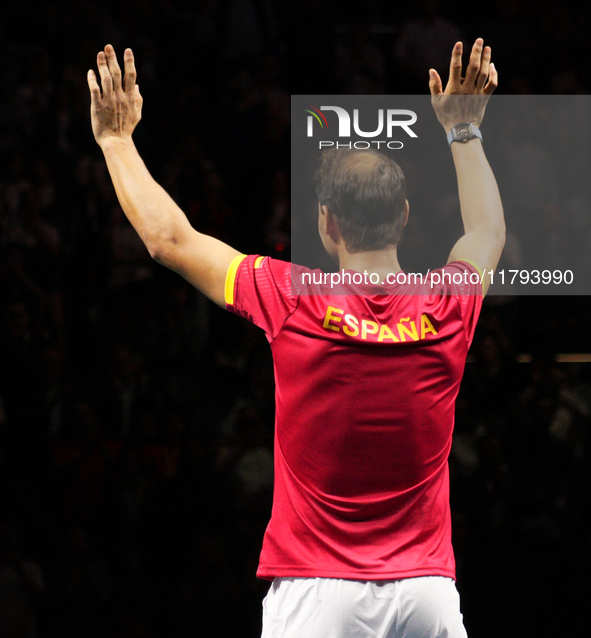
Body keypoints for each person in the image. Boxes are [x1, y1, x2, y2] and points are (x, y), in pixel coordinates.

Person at [88, 38, 504, 638]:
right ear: (406, 216)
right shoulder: (450, 304)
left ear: (326, 224)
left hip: (315, 592)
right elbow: (487, 230)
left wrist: (115, 140)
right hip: (427, 596)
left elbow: (170, 241)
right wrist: (463, 131)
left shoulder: (291, 297)